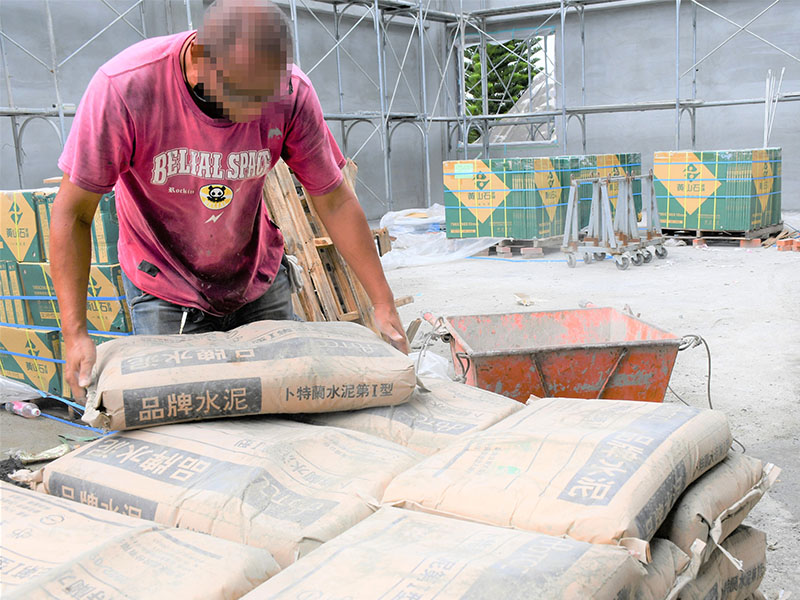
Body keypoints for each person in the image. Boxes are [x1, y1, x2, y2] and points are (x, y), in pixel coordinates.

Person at [50, 0, 409, 402]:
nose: (260, 109)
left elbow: (334, 199)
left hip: (256, 279)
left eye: (268, 92)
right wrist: (75, 332)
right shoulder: (125, 89)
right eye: (247, 94)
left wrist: (383, 301)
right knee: (185, 419)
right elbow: (73, 213)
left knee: (285, 405)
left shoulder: (290, 94)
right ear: (203, 60)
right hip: (165, 287)